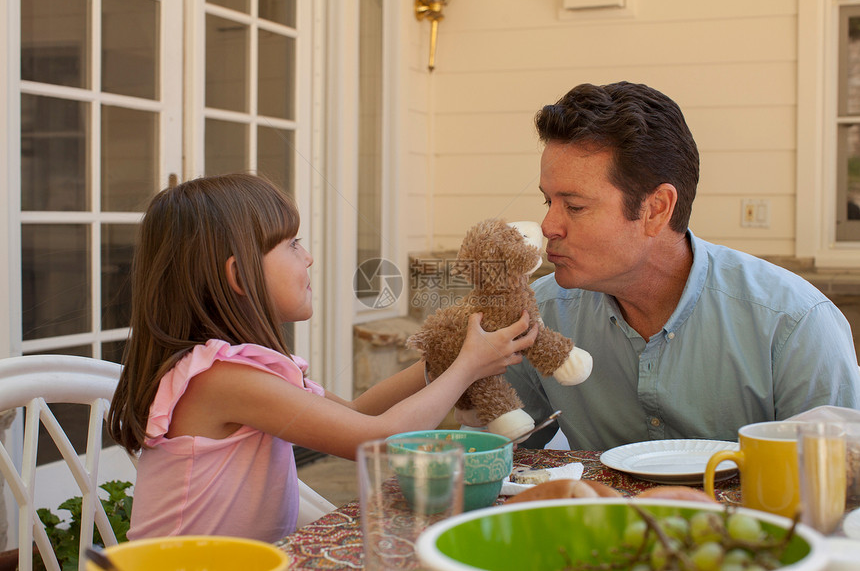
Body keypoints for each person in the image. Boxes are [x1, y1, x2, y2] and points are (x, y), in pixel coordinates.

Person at [107, 173, 537, 542]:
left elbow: (356, 415)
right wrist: (467, 368)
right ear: (240, 276)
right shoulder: (221, 380)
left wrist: (441, 361)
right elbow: (379, 443)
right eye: (293, 245)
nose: (309, 256)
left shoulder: (246, 367)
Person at [503, 81, 860, 451]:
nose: (548, 227)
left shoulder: (794, 323)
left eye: (574, 206)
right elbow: (499, 456)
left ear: (656, 209)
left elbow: (841, 486)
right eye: (548, 202)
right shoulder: (536, 317)